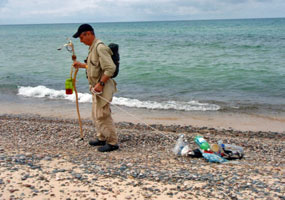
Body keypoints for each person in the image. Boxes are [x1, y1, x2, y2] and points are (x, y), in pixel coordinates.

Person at [72, 24, 119, 152]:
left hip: (103, 87)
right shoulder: (92, 49)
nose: (81, 41)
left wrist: (101, 84)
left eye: (81, 37)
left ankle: (112, 142)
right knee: (95, 114)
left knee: (102, 115)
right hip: (96, 88)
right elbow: (94, 67)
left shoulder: (100, 48)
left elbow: (110, 68)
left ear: (88, 34)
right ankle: (102, 138)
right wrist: (81, 65)